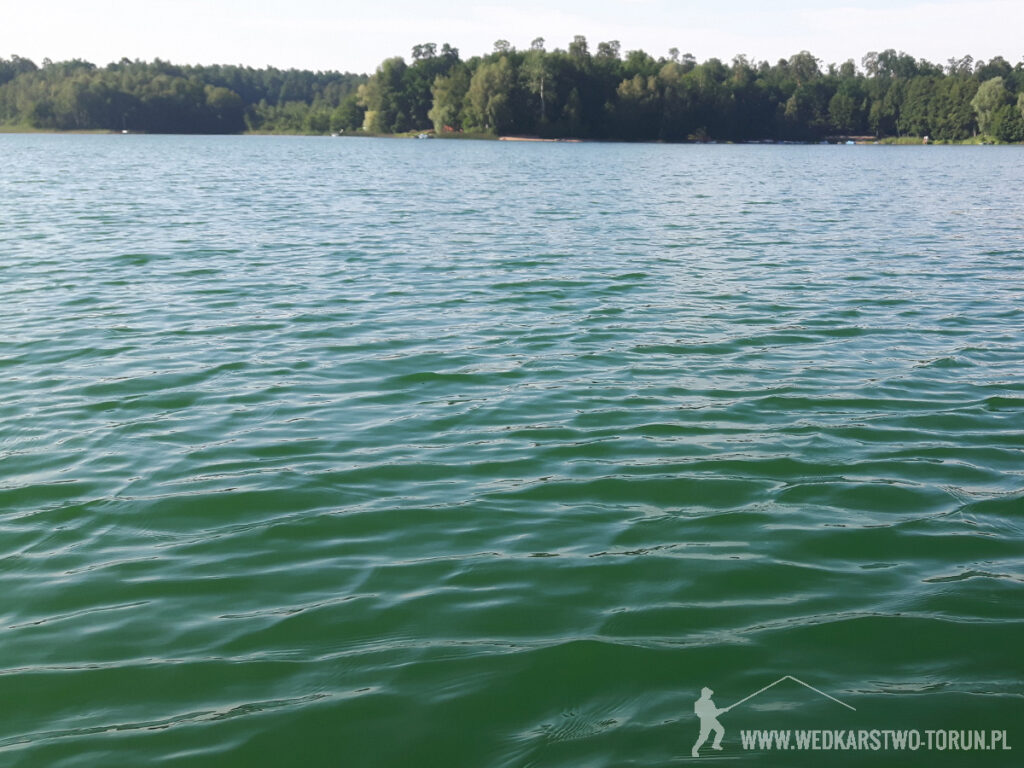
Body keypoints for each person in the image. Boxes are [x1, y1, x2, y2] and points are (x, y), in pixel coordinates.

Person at [692, 686, 726, 757]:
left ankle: (715, 744)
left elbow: (714, 711)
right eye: (709, 694)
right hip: (705, 721)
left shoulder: (710, 702)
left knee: (721, 730)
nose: (710, 696)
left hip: (712, 720)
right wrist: (721, 711)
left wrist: (721, 710)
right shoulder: (698, 703)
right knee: (703, 737)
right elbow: (699, 714)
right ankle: (694, 750)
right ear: (704, 694)